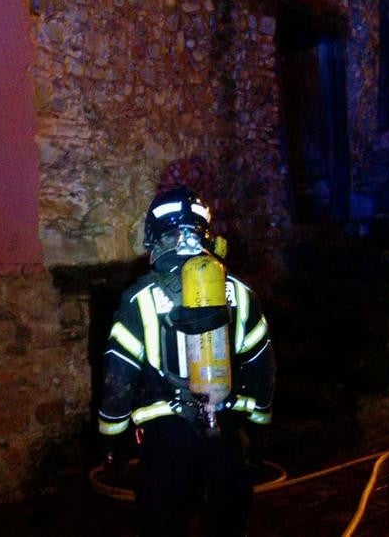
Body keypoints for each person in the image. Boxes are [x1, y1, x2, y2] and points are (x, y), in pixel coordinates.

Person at [98, 187, 276, 536]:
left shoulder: (140, 299)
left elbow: (118, 380)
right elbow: (262, 367)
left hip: (167, 444)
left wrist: (110, 442)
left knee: (163, 525)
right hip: (227, 436)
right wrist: (259, 431)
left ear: (153, 238)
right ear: (208, 235)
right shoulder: (241, 293)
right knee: (227, 525)